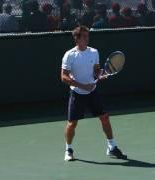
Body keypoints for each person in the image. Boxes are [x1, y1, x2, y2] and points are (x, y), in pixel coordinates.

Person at [61, 25, 127, 161]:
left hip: (92, 92)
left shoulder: (94, 52)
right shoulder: (69, 55)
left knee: (105, 118)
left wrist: (100, 74)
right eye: (84, 36)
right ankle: (68, 150)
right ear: (77, 39)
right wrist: (82, 86)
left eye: (87, 35)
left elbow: (96, 70)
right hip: (77, 94)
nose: (87, 38)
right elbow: (64, 77)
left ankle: (112, 147)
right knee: (72, 123)